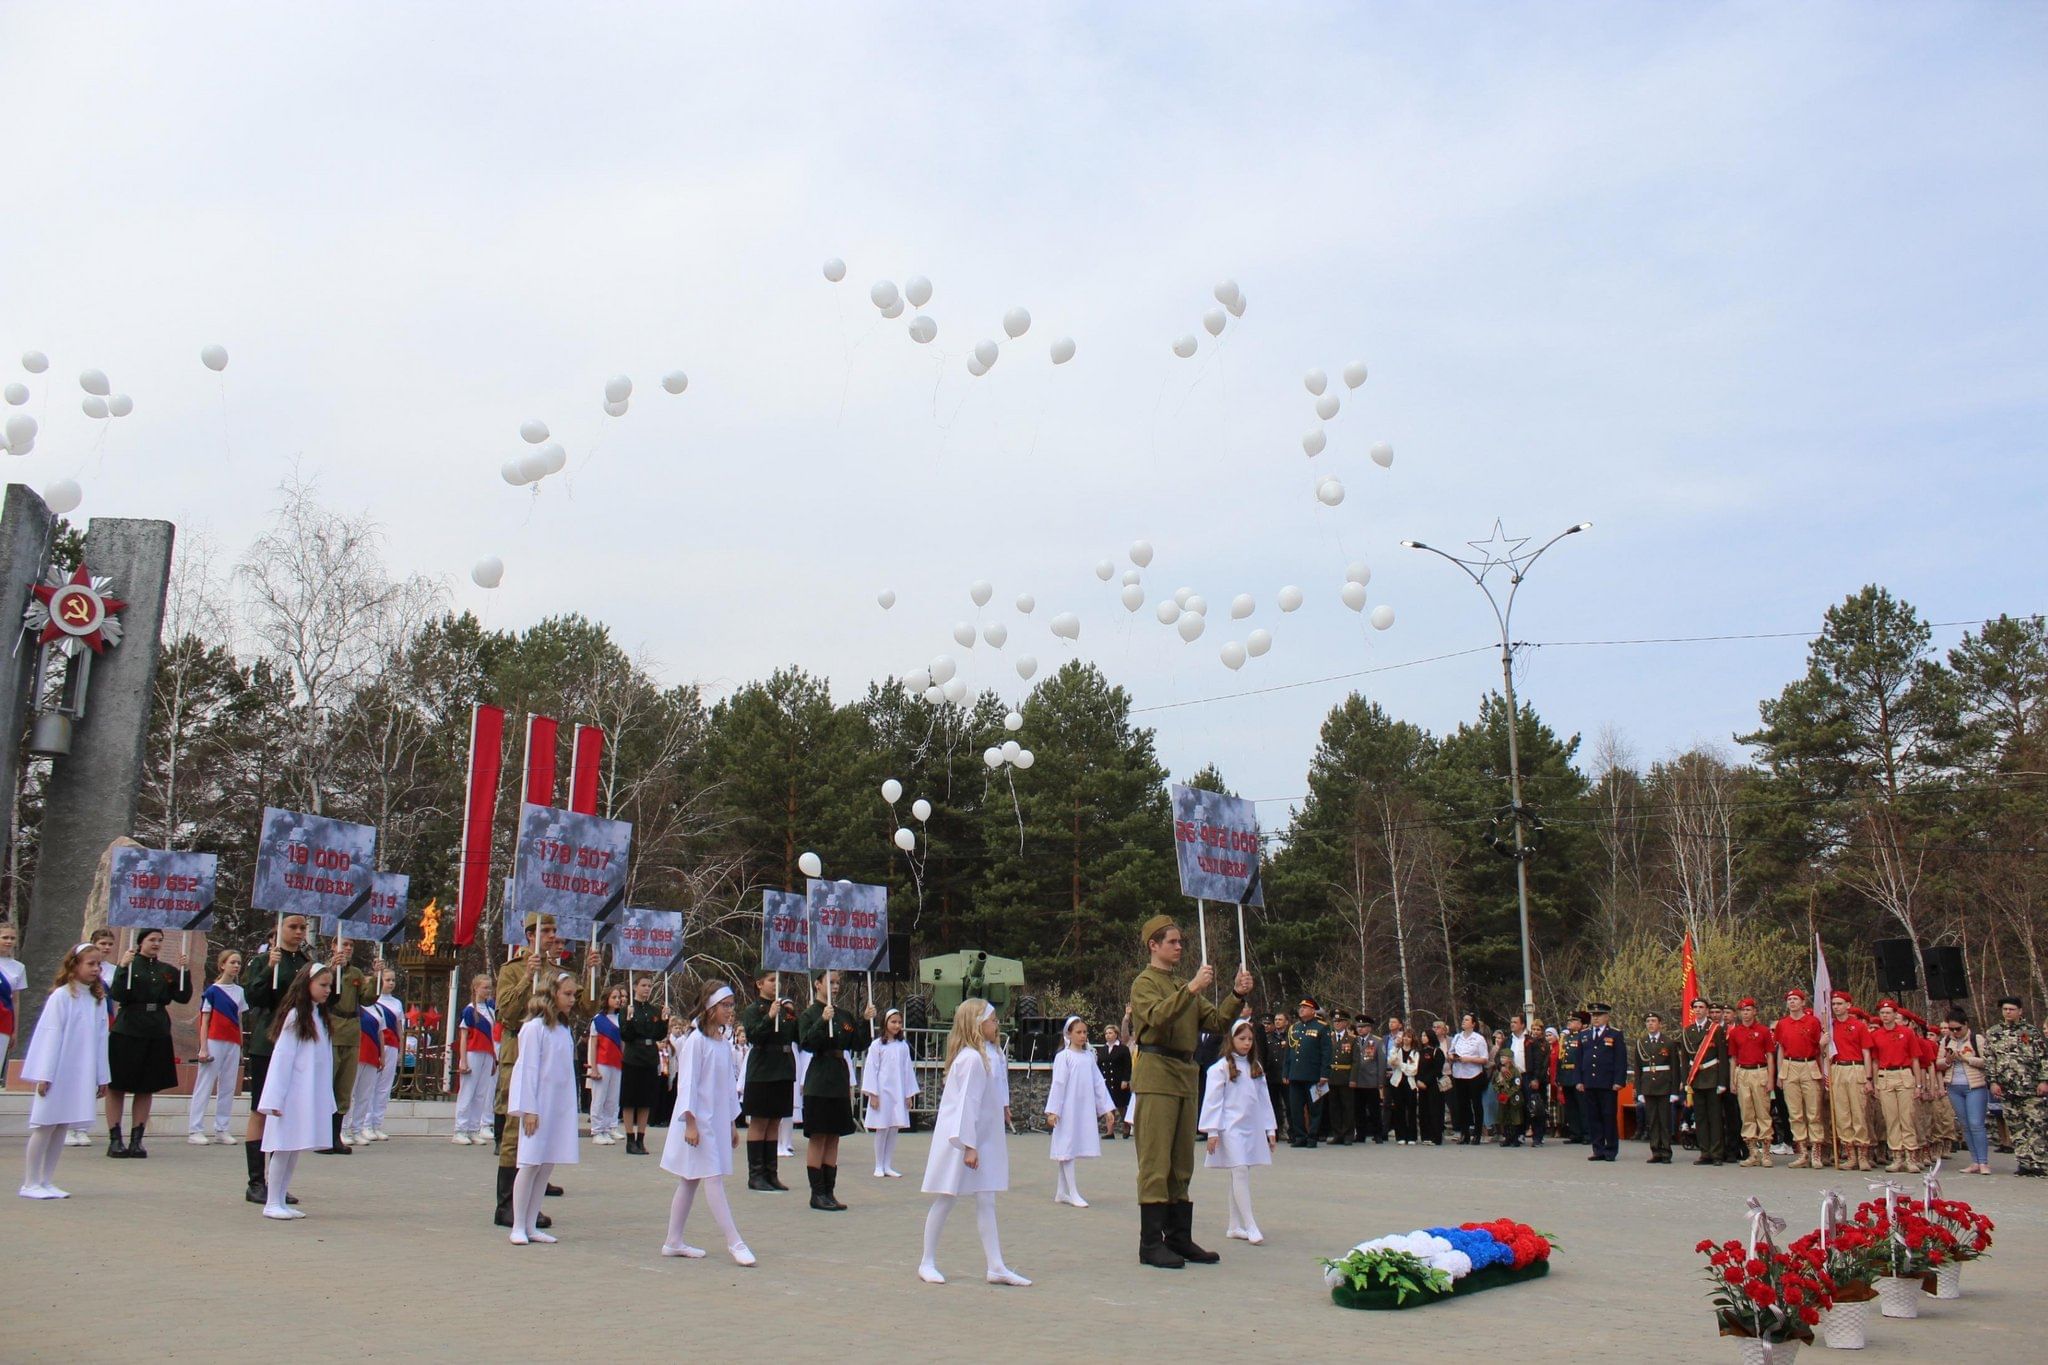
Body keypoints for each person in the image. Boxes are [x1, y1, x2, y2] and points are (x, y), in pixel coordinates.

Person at [1128, 916, 1252, 1269]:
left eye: (1180, 941)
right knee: (1155, 1162)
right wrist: (1193, 989)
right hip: (1156, 1074)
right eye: (1172, 942)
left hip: (1184, 1074)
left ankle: (1178, 1237)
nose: (1179, 947)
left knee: (1182, 1162)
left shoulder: (1182, 983)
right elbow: (1157, 1017)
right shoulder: (1145, 983)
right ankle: (1150, 1244)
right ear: (1153, 945)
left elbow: (1214, 1022)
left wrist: (1236, 994)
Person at [918, 998, 1029, 1286]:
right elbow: (966, 1103)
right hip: (962, 1139)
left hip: (978, 1138)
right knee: (946, 1196)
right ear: (977, 1024)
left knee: (986, 1198)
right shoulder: (970, 1059)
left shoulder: (984, 1055)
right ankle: (927, 1261)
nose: (997, 1024)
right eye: (992, 1020)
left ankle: (996, 1265)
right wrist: (969, 1145)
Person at [658, 982, 754, 1265]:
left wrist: (732, 1123)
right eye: (725, 1005)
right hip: (698, 1123)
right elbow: (687, 1084)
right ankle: (734, 1242)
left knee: (689, 1180)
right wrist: (690, 1122)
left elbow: (726, 1086)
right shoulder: (696, 1041)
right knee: (712, 1178)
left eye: (732, 1005)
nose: (730, 1011)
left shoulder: (722, 1043)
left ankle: (673, 1241)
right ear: (710, 1007)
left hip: (716, 1121)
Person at [18, 942, 110, 1198]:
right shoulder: (61, 996)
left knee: (61, 1125)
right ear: (74, 965)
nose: (95, 969)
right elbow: (49, 1035)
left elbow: (102, 1039)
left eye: (98, 965)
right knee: (45, 1125)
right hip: (57, 1071)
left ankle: (46, 1180)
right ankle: (30, 1182)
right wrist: (44, 1074)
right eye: (90, 964)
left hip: (79, 1073)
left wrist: (102, 1077)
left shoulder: (97, 999)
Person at [256, 963, 338, 1220]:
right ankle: (271, 1201)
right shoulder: (295, 1016)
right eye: (323, 985)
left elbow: (323, 1061)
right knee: (282, 1146)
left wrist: (326, 1096)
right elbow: (282, 1059)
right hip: (289, 1093)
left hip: (307, 1093)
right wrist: (274, 1098)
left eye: (329, 986)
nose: (328, 990)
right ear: (307, 985)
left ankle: (281, 1198)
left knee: (293, 1148)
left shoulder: (319, 1016)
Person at [239, 915, 312, 1203]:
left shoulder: (306, 962)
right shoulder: (263, 961)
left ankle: (277, 1180)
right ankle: (256, 1181)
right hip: (269, 1041)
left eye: (302, 928)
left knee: (286, 1112)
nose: (298, 932)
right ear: (279, 930)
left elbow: (322, 998)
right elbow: (254, 996)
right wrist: (269, 968)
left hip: (299, 1041)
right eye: (292, 927)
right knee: (261, 1109)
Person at [104, 927, 193, 1159]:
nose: (156, 944)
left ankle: (137, 1139)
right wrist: (122, 967)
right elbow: (118, 994)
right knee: (119, 1085)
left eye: (160, 940)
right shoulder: (131, 965)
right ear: (141, 941)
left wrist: (186, 971)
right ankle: (115, 1139)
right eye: (152, 939)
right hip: (128, 1028)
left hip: (156, 1029)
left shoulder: (166, 970)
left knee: (146, 1086)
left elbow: (183, 996)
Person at [506, 969, 581, 1245]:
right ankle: (517, 1225)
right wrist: (529, 1109)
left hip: (558, 1105)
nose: (572, 999)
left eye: (574, 994)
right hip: (537, 1107)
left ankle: (532, 1223)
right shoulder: (534, 1028)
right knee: (529, 1163)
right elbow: (527, 1069)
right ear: (552, 994)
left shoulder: (562, 1029)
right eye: (568, 994)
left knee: (546, 1165)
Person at [798, 970, 875, 1212]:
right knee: (819, 1136)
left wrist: (865, 1021)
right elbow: (807, 1043)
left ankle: (829, 1191)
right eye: (830, 982)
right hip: (819, 1079)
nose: (835, 987)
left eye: (838, 983)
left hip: (839, 1078)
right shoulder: (810, 1014)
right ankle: (816, 1192)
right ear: (817, 984)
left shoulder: (843, 1015)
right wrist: (822, 1021)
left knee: (833, 1137)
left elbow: (857, 1043)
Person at [1199, 1017, 1279, 1245]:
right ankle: (1251, 1224)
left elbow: (1264, 1101)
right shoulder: (1220, 1068)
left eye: (1250, 1039)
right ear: (1231, 1040)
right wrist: (1212, 1131)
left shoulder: (1256, 1067)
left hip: (1250, 1127)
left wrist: (1270, 1128)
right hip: (1229, 1128)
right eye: (1242, 1038)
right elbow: (1213, 1101)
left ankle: (1234, 1225)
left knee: (1239, 1174)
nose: (1246, 1043)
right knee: (1240, 1170)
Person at [1045, 1015, 1117, 1207]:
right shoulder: (1064, 1057)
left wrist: (1106, 1109)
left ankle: (1061, 1191)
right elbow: (1058, 1084)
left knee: (1068, 1148)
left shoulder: (1088, 1056)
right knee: (1066, 1147)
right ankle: (1072, 1191)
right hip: (1067, 1109)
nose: (1083, 1035)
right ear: (1069, 1034)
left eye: (1085, 1032)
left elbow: (1098, 1083)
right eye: (1078, 1032)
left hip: (1082, 1108)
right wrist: (1053, 1110)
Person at [739, 973, 799, 1191]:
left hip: (782, 1069)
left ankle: (771, 1173)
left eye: (777, 980)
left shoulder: (786, 1010)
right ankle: (755, 1175)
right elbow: (753, 1036)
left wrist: (796, 1015)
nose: (776, 984)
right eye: (771, 980)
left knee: (775, 1121)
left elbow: (797, 1035)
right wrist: (769, 1017)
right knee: (760, 1121)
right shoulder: (754, 1010)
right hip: (762, 1069)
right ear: (759, 984)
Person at [187, 950, 245, 1146]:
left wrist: (241, 1046)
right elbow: (205, 1020)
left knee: (228, 1086)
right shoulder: (212, 991)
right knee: (205, 1084)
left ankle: (222, 1128)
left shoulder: (239, 991)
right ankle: (195, 1129)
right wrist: (203, 1047)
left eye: (238, 963)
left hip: (233, 1042)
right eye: (232, 962)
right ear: (222, 965)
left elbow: (239, 1018)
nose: (236, 966)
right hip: (214, 1041)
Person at [1984, 995, 2047, 1177]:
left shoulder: (2031, 1032)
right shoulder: (1994, 1033)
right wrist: (1993, 1081)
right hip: (2007, 1088)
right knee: (2016, 1127)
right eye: (2005, 1009)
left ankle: (2039, 1163)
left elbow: (2043, 1058)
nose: (2008, 1012)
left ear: (2020, 1011)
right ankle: (2024, 1162)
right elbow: (1990, 1059)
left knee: (2036, 1126)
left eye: (2012, 1009)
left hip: (2031, 1088)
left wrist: (2044, 1080)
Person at [320, 936, 370, 1156]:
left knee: (344, 1087)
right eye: (343, 945)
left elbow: (367, 999)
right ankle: (321, 1136)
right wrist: (332, 970)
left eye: (350, 946)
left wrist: (376, 978)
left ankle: (335, 1136)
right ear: (333, 947)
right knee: (326, 1085)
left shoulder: (356, 974)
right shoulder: (324, 970)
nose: (347, 949)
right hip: (332, 1029)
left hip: (351, 1032)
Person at [1865, 998, 1923, 1173]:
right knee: (1891, 1118)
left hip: (1904, 1073)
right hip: (1885, 1075)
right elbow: (1874, 1061)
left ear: (1895, 1014)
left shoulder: (1907, 1033)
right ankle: (1897, 1156)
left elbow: (1915, 1060)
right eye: (1882, 1013)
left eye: (1888, 1013)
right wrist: (1874, 1083)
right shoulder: (1876, 1035)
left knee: (1907, 1116)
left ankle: (1911, 1156)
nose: (1885, 1016)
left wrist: (1918, 1085)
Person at [863, 1007, 917, 1178]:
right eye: (893, 1022)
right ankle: (878, 1164)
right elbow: (871, 1069)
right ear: (885, 1023)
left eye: (899, 1022)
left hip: (898, 1091)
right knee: (882, 1128)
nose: (897, 1025)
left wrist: (909, 1094)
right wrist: (873, 1094)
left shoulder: (903, 1046)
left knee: (894, 1128)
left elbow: (908, 1070)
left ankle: (888, 1165)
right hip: (882, 1091)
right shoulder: (877, 1045)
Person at [1823, 990, 1874, 1170]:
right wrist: (1823, 1042)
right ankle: (1850, 1154)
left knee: (1858, 1112)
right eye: (1834, 1004)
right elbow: (1826, 1053)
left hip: (1855, 1067)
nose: (1836, 1007)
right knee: (1842, 1114)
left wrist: (1868, 1078)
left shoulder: (1858, 1026)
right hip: (1838, 1068)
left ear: (1848, 1005)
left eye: (1839, 1003)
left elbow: (1867, 1052)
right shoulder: (1830, 1027)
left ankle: (1863, 1155)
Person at [1725, 998, 1777, 1167]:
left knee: (1763, 1112)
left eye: (1748, 1010)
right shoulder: (1735, 1033)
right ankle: (1752, 1152)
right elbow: (1733, 1058)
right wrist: (1732, 1081)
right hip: (1742, 1072)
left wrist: (1770, 1079)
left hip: (1759, 1071)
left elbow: (1770, 1056)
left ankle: (1766, 1152)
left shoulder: (1763, 1031)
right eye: (1742, 1011)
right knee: (1747, 1113)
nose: (1745, 1014)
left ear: (1755, 1011)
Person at [619, 975, 666, 1155]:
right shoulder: (627, 1009)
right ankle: (630, 1139)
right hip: (633, 1056)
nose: (647, 989)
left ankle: (641, 1138)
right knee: (630, 1100)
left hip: (649, 1056)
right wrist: (629, 1019)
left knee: (646, 1101)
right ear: (635, 987)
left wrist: (664, 1020)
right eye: (643, 985)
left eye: (649, 985)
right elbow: (626, 1035)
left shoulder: (654, 1010)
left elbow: (659, 1035)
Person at [1682, 997, 1729, 1165]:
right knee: (1700, 1118)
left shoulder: (1715, 1029)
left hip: (1712, 1077)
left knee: (1715, 1118)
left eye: (1701, 1007)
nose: (1698, 1010)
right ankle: (1705, 1152)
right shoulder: (1688, 1030)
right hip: (1696, 1079)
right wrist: (1685, 1080)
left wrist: (1722, 1082)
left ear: (1707, 1010)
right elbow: (1685, 1059)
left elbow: (1722, 1057)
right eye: (1695, 1007)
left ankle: (1717, 1154)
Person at [452, 973, 497, 1145]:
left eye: (489, 987)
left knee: (481, 1094)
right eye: (485, 987)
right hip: (473, 1053)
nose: (488, 990)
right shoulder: (470, 1010)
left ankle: (473, 1129)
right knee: (468, 1091)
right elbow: (463, 1036)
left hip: (487, 1054)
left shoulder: (491, 1011)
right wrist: (463, 1060)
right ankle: (459, 1129)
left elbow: (492, 1037)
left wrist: (493, 1058)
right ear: (476, 988)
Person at [341, 985, 388, 1147]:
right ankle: (342, 1129)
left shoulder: (378, 1010)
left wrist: (382, 1055)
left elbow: (381, 1033)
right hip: (356, 1054)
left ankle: (357, 1129)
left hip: (372, 1055)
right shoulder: (352, 1006)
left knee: (364, 1095)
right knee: (349, 1093)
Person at [1577, 1003, 1624, 1161]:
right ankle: (1598, 1149)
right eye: (1593, 1015)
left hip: (1607, 1082)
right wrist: (1579, 1080)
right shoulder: (1584, 1034)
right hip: (1590, 1082)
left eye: (1599, 1015)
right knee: (1593, 1117)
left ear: (1606, 1017)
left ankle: (1610, 1150)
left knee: (1608, 1116)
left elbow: (1620, 1060)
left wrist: (1618, 1080)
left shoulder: (1615, 1034)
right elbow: (1579, 1059)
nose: (1595, 1018)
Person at [1282, 997, 1330, 1150]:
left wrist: (1324, 1074)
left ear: (1312, 1010)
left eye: (1305, 1007)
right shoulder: (1294, 1028)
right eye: (1300, 1007)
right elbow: (1288, 1053)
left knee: (1314, 1108)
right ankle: (1300, 1136)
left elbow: (1326, 1053)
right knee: (1295, 1108)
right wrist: (1285, 1072)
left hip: (1314, 1076)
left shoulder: (1321, 1027)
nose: (1301, 1009)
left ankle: (1312, 1137)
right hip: (1295, 1075)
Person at [1633, 1012, 1679, 1163]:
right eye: (1648, 1021)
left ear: (1660, 1023)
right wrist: (1639, 1091)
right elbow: (1638, 1069)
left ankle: (1666, 1151)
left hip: (1664, 1085)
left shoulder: (1668, 1042)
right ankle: (1655, 1151)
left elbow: (1674, 1068)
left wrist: (1674, 1091)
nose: (1650, 1024)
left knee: (1664, 1121)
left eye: (1653, 1021)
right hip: (1648, 1086)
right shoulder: (1642, 1043)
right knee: (1652, 1120)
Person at [365, 967, 404, 1141]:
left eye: (393, 980)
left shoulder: (397, 1003)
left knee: (384, 1088)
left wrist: (401, 1048)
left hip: (392, 1045)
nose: (391, 983)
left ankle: (376, 1124)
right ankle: (365, 1124)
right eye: (387, 980)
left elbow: (399, 1027)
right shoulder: (371, 1000)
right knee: (370, 1085)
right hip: (376, 1045)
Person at [588, 984, 626, 1146]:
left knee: (612, 1098)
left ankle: (610, 1127)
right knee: (599, 1097)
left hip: (617, 1063)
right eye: (614, 997)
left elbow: (623, 1043)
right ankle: (597, 1130)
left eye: (619, 997)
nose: (618, 1000)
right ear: (607, 999)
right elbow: (593, 1046)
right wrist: (593, 1068)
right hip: (602, 1062)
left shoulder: (622, 1019)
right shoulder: (598, 1020)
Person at [1447, 1013, 1490, 1145]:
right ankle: (1464, 1134)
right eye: (1463, 1019)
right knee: (1462, 1105)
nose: (1464, 1022)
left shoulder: (1479, 1039)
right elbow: (1450, 1051)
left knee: (1476, 1105)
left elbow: (1484, 1059)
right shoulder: (1457, 1037)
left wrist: (1469, 1059)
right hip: (1459, 1074)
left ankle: (1477, 1134)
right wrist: (1452, 1057)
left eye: (1467, 1020)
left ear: (1473, 1024)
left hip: (1473, 1074)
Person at [1351, 1014, 1386, 1143]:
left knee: (1374, 1110)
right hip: (1357, 1080)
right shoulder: (1354, 1040)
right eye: (1358, 1027)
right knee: (1358, 1110)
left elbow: (1381, 1062)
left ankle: (1378, 1133)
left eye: (1363, 1027)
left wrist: (1380, 1081)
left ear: (1369, 1028)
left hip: (1371, 1081)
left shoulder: (1377, 1041)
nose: (1360, 1029)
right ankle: (1360, 1134)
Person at [1324, 1011, 1357, 1145]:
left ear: (1345, 1023)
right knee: (1334, 1107)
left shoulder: (1352, 1039)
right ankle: (1337, 1133)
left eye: (1339, 1021)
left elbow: (1356, 1061)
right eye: (1335, 1022)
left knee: (1347, 1107)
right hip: (1331, 1077)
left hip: (1345, 1076)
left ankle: (1348, 1134)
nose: (1337, 1024)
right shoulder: (1328, 1037)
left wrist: (1353, 1078)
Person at [0, 923, 27, 1077]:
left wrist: (14, 1031)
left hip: (4, 1021)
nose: (9, 941)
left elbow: (16, 1001)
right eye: (5, 937)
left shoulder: (18, 968)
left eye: (12, 938)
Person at [1386, 1027, 1420, 1143]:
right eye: (1404, 1036)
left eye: (1408, 1037)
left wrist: (1401, 1064)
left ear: (1412, 1039)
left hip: (1410, 1083)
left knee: (1411, 1110)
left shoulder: (1415, 1053)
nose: (1406, 1039)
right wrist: (1395, 1046)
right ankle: (1400, 1136)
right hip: (1397, 1082)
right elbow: (1391, 1061)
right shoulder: (1397, 1050)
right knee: (1398, 1109)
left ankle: (1412, 1136)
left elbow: (1413, 1070)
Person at [1260, 1013, 1291, 1142]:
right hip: (1272, 1075)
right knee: (1273, 1105)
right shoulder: (1268, 1038)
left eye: (1280, 1020)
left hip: (1286, 1075)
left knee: (1290, 1105)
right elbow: (1264, 1055)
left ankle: (1292, 1132)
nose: (1278, 1022)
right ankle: (1275, 1131)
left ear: (1286, 1022)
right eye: (1276, 1020)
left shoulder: (1290, 1036)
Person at [1556, 1012, 1586, 1143]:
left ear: (1580, 1024)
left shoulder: (1583, 1037)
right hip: (1566, 1075)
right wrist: (1559, 1076)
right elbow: (1560, 1058)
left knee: (1582, 1106)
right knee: (1570, 1107)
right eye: (1569, 1020)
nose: (1570, 1023)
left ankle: (1586, 1133)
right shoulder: (1566, 1038)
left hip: (1577, 1074)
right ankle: (1575, 1133)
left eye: (1573, 1021)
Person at [1522, 1016, 1551, 1147]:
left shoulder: (1545, 1044)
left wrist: (1537, 1079)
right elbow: (1529, 1062)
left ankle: (1539, 1135)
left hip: (1540, 1079)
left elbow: (1544, 1064)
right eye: (1533, 1029)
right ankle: (1532, 1133)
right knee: (1531, 1108)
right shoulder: (1529, 1042)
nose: (1535, 1031)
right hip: (1530, 1077)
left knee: (1540, 1108)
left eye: (1538, 1029)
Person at [1099, 1024, 1133, 1139]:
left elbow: (1128, 1066)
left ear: (1116, 1034)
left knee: (1121, 1106)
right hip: (1107, 1081)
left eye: (1110, 1033)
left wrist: (1125, 1080)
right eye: (1106, 1033)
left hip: (1119, 1082)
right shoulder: (1103, 1049)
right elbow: (1099, 1066)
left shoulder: (1123, 1049)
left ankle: (1126, 1125)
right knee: (1108, 1107)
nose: (1108, 1035)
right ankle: (1110, 1131)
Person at [1418, 1023, 1448, 1145]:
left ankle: (1436, 1137)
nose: (1423, 1037)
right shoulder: (1419, 1052)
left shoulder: (1437, 1051)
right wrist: (1418, 1080)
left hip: (1434, 1085)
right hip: (1421, 1085)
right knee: (1423, 1110)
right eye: (1422, 1035)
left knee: (1435, 1110)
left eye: (1425, 1035)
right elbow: (1417, 1068)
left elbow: (1436, 1070)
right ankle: (1425, 1136)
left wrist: (1425, 1081)